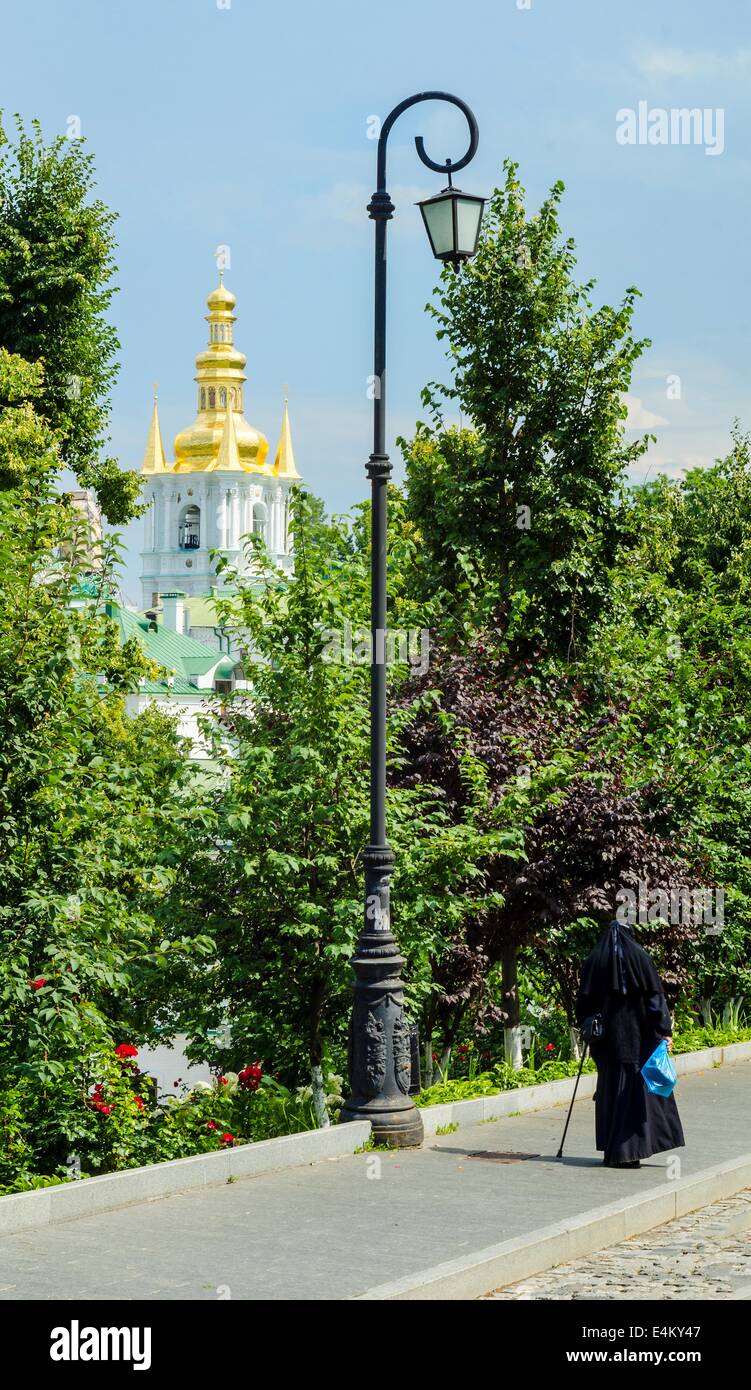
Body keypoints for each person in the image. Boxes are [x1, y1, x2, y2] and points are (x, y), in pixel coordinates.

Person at [575, 919, 685, 1168]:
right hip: (639, 1039)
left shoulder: (594, 960)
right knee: (634, 1093)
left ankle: (612, 1151)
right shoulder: (641, 958)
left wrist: (589, 1023)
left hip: (606, 1043)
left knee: (610, 1091)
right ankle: (630, 1151)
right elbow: (655, 998)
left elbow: (583, 1004)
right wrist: (664, 1031)